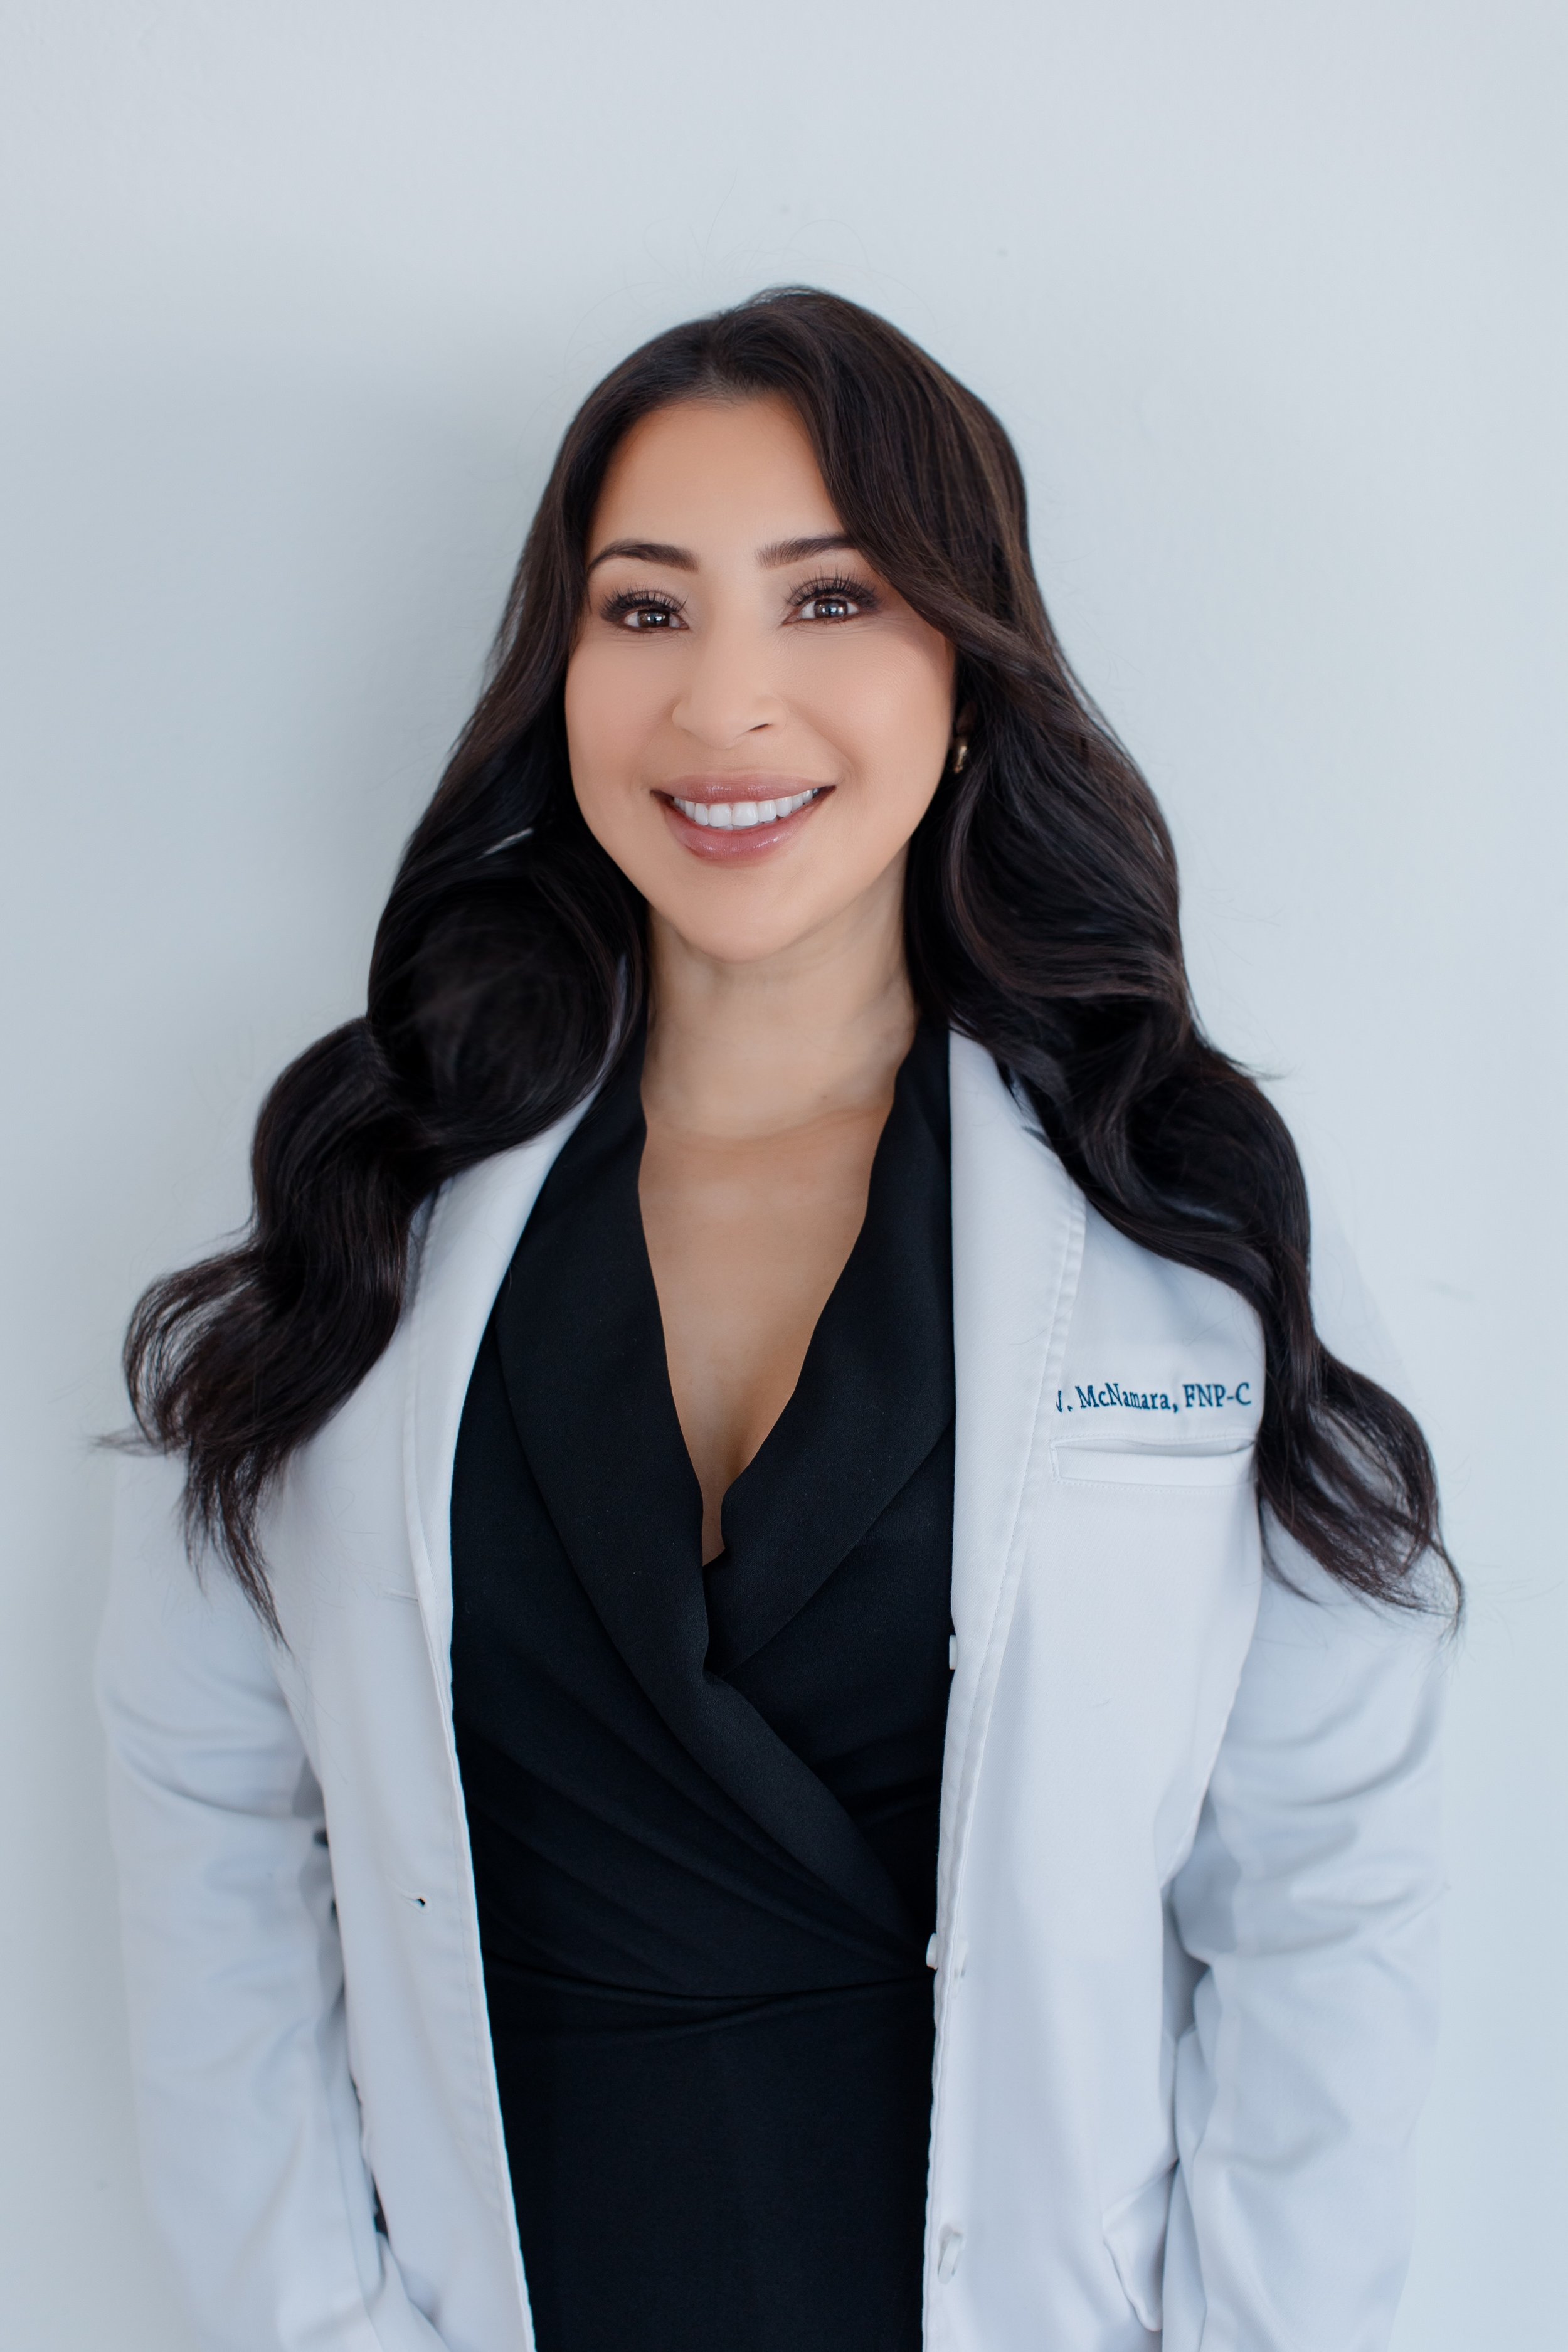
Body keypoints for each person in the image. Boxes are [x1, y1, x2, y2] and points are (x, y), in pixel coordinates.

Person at [98, 287, 1453, 2352]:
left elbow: (1323, 1888)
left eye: (826, 605)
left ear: (970, 678)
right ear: (557, 674)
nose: (726, 708)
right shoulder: (363, 1180)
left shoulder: (1178, 1203)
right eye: (644, 614)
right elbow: (208, 1811)